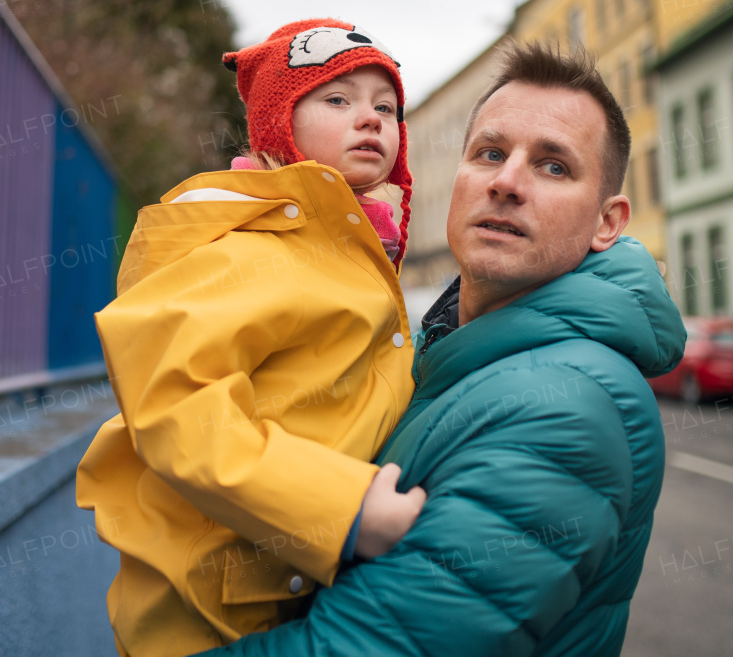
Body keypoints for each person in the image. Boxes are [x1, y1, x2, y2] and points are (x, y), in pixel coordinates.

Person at [208, 43, 685, 657]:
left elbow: (366, 647)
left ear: (607, 223)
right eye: (490, 153)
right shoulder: (447, 352)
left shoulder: (569, 406)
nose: (506, 182)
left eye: (554, 167)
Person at [77, 19, 428, 657]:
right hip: (211, 606)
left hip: (290, 582)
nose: (372, 119)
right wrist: (341, 508)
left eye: (386, 106)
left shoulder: (351, 254)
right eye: (337, 99)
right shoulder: (245, 247)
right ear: (278, 125)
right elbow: (177, 405)